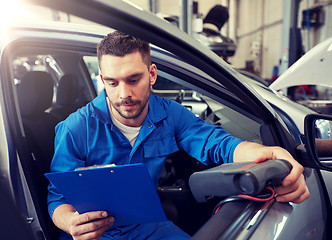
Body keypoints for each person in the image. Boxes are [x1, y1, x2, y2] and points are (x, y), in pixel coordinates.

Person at [47, 31, 310, 240]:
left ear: (151, 75)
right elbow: (57, 199)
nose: (123, 94)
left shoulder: (170, 114)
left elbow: (218, 144)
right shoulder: (76, 128)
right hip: (96, 235)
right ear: (102, 80)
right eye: (113, 83)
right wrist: (72, 222)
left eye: (133, 79)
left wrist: (269, 153)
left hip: (149, 228)